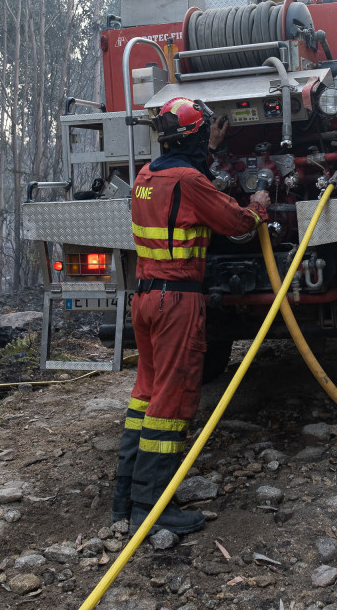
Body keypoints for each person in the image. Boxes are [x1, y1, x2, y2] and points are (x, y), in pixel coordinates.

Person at [110, 96, 270, 535]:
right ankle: (153, 507)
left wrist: (211, 150)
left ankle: (124, 498)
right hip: (176, 303)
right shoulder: (190, 180)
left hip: (145, 300)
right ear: (196, 136)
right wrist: (258, 205)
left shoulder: (146, 175)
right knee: (172, 403)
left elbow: (187, 182)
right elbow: (236, 222)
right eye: (204, 134)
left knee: (145, 396)